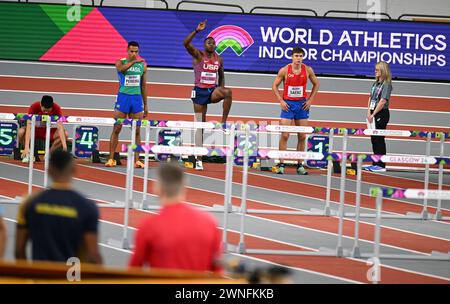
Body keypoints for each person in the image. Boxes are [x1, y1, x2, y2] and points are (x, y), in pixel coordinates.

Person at [129, 163, 223, 273]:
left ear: (157, 188)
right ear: (184, 186)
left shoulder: (149, 226)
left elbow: (134, 271)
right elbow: (217, 270)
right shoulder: (209, 222)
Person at [15, 150, 102, 264]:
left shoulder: (29, 203)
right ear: (73, 171)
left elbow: (19, 250)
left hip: (41, 277)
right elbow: (93, 256)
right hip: (71, 278)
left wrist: (29, 276)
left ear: (49, 170)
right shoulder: (87, 207)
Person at [183, 20, 233, 170]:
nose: (211, 44)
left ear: (216, 46)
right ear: (204, 45)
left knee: (228, 92)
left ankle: (223, 122)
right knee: (201, 126)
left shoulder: (219, 59)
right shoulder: (198, 55)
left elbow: (222, 75)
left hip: (212, 91)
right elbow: (186, 43)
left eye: (213, 42)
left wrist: (221, 90)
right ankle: (199, 160)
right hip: (199, 92)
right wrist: (196, 31)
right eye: (208, 42)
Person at [272, 47, 320, 175]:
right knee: (285, 135)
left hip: (301, 106)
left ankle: (300, 165)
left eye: (300, 56)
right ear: (292, 57)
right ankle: (281, 164)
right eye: (296, 56)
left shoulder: (308, 70)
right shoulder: (284, 70)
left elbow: (316, 84)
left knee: (302, 136)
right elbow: (274, 85)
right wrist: (281, 101)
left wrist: (310, 100)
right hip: (288, 105)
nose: (298, 58)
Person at [105, 41, 148, 168]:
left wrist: (146, 105)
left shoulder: (143, 66)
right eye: (132, 51)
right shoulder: (120, 62)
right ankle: (111, 159)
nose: (134, 54)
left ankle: (137, 160)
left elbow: (143, 86)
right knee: (117, 128)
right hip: (123, 98)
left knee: (137, 131)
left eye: (136, 52)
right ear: (127, 51)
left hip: (136, 99)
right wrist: (133, 62)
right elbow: (121, 69)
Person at [18, 95, 68, 163]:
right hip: (35, 130)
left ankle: (48, 154)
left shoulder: (57, 108)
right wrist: (26, 147)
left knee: (65, 134)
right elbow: (29, 126)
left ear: (52, 106)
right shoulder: (34, 106)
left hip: (48, 132)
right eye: (44, 110)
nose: (46, 112)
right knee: (21, 132)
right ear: (41, 105)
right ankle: (29, 153)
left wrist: (65, 148)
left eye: (48, 111)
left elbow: (60, 128)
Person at [364, 61, 393, 172]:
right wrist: (368, 112)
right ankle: (375, 162)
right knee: (374, 139)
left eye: (377, 70)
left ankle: (381, 165)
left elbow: (382, 101)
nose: (375, 71)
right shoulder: (375, 83)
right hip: (372, 112)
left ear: (383, 71)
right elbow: (370, 97)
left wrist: (374, 114)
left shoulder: (387, 84)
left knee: (379, 139)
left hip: (381, 113)